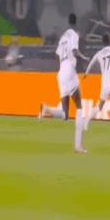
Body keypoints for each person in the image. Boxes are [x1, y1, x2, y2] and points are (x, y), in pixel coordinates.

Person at [39, 13, 89, 153]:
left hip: (61, 73)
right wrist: (84, 58)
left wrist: (64, 69)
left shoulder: (62, 37)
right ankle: (78, 146)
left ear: (68, 21)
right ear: (76, 22)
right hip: (69, 70)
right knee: (79, 107)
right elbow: (74, 51)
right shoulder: (74, 34)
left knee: (65, 114)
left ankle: (46, 109)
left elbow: (57, 55)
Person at [83, 34, 110, 131]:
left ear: (102, 42)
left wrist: (86, 73)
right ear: (109, 41)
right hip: (108, 84)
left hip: (104, 84)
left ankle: (86, 121)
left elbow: (91, 62)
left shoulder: (99, 53)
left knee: (100, 107)